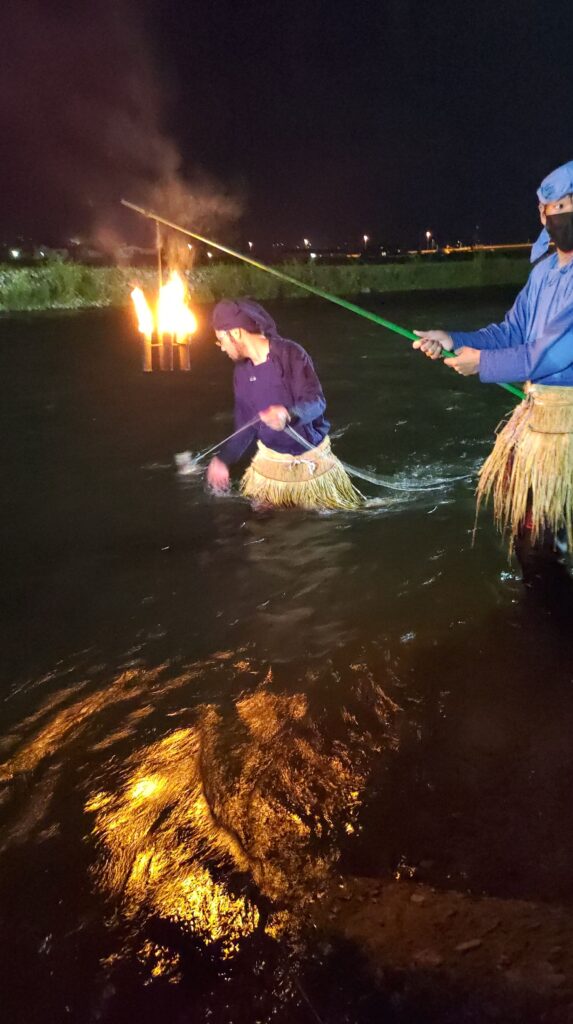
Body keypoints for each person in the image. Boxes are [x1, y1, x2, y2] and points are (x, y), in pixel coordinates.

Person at [412, 160, 573, 577]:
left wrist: (482, 365)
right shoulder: (544, 274)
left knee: (551, 545)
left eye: (571, 204)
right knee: (528, 537)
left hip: (568, 429)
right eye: (556, 206)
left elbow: (552, 353)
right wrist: (456, 340)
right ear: (542, 214)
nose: (563, 213)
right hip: (540, 420)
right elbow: (512, 330)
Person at [206, 298, 363, 510]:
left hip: (311, 464)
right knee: (264, 527)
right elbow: (245, 424)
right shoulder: (241, 372)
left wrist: (288, 414)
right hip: (271, 464)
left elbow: (316, 402)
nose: (222, 348)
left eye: (220, 339)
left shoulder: (291, 353)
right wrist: (224, 459)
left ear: (236, 333)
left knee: (318, 528)